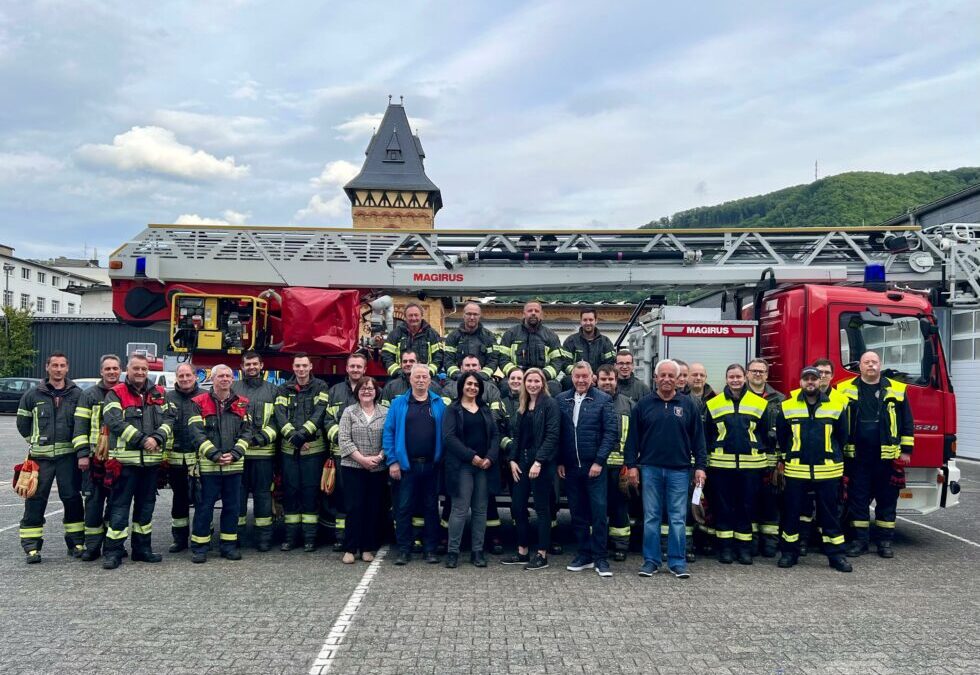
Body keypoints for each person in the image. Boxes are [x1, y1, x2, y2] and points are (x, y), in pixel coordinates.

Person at [625, 359, 706, 579]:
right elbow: (632, 439)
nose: (667, 379)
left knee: (677, 518)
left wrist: (700, 467)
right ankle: (651, 561)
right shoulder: (643, 405)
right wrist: (631, 466)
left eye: (671, 375)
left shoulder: (688, 405)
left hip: (680, 471)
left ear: (678, 379)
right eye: (663, 375)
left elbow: (699, 440)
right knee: (651, 517)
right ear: (655, 378)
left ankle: (677, 562)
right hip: (650, 469)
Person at [101, 353, 175, 569]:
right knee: (119, 509)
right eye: (136, 368)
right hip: (125, 465)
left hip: (150, 465)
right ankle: (113, 552)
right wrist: (143, 440)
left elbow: (170, 418)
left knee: (146, 509)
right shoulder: (116, 393)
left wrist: (157, 438)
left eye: (144, 369)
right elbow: (115, 422)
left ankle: (142, 549)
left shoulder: (160, 393)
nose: (140, 372)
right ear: (128, 370)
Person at [838, 351, 914, 559]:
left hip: (886, 458)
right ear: (860, 366)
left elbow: (907, 421)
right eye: (866, 362)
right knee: (858, 501)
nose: (870, 365)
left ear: (880, 365)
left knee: (887, 501)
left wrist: (906, 450)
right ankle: (860, 542)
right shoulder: (844, 388)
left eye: (874, 362)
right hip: (858, 457)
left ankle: (884, 542)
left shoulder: (897, 389)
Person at [776, 366, 852, 572]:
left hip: (827, 471)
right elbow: (783, 437)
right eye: (806, 379)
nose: (810, 382)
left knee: (830, 516)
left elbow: (842, 437)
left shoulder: (836, 406)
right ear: (801, 382)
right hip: (796, 471)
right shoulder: (787, 406)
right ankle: (789, 553)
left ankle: (836, 556)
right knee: (792, 514)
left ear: (820, 382)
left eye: (814, 379)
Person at [17, 351, 84, 564]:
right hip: (40, 458)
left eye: (62, 365)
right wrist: (35, 441)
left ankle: (76, 543)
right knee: (35, 499)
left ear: (67, 368)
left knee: (72, 498)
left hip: (68, 457)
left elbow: (82, 423)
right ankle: (31, 547)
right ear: (47, 367)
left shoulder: (77, 394)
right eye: (54, 365)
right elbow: (22, 423)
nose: (58, 369)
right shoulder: (32, 395)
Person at [704, 364, 769, 565]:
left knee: (746, 508)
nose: (735, 380)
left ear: (745, 377)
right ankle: (725, 549)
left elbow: (765, 434)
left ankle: (744, 549)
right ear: (726, 379)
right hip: (721, 467)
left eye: (738, 376)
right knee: (723, 508)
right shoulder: (713, 404)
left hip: (751, 467)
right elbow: (707, 434)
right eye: (731, 377)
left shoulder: (760, 403)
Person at [557, 362, 617, 577]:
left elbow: (611, 432)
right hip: (571, 468)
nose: (581, 380)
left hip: (595, 468)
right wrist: (560, 461)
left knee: (598, 512)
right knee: (577, 512)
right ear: (572, 377)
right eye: (577, 376)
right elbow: (557, 433)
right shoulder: (561, 399)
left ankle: (601, 557)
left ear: (592, 378)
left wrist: (599, 461)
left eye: (585, 376)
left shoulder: (603, 399)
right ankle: (584, 554)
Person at [188, 365, 252, 563]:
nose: (225, 379)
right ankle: (200, 548)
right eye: (221, 376)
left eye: (228, 376)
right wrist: (215, 455)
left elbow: (247, 432)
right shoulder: (198, 402)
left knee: (232, 508)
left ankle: (228, 546)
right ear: (213, 379)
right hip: (209, 468)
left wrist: (235, 454)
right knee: (204, 508)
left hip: (234, 466)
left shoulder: (242, 403)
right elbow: (196, 433)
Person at [384, 364, 447, 565]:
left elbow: (446, 434)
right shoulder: (398, 403)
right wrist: (393, 461)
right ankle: (404, 550)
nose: (420, 380)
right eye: (416, 377)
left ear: (430, 380)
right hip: (406, 467)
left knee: (431, 508)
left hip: (431, 466)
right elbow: (389, 433)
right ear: (410, 379)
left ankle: (430, 550)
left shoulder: (438, 404)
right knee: (403, 509)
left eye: (424, 377)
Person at [500, 368, 561, 571]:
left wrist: (539, 461)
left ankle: (542, 554)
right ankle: (522, 551)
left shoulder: (550, 404)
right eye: (529, 381)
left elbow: (552, 436)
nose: (532, 384)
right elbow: (517, 437)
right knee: (517, 507)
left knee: (542, 509)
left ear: (543, 383)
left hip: (542, 464)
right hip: (522, 463)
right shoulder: (523, 405)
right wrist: (512, 460)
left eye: (536, 381)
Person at [442, 372, 500, 568]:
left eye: (476, 385)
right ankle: (453, 552)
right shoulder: (453, 409)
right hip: (462, 467)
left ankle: (477, 551)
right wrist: (471, 457)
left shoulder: (485, 409)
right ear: (461, 386)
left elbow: (495, 436)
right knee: (459, 510)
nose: (472, 387)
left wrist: (490, 457)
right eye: (469, 384)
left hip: (483, 467)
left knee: (480, 510)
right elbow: (449, 438)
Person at [274, 353, 330, 552]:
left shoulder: (321, 387)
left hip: (312, 450)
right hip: (290, 451)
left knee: (310, 493)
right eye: (297, 365)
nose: (301, 369)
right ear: (293, 367)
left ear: (310, 366)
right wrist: (294, 437)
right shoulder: (283, 389)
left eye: (304, 365)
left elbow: (320, 413)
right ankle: (291, 538)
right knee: (291, 492)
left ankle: (309, 539)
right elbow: (279, 415)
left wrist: (303, 435)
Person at [73, 354, 121, 561]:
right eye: (107, 368)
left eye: (115, 368)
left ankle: (112, 545)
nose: (111, 372)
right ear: (101, 371)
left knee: (116, 504)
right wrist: (83, 454)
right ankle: (92, 547)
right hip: (94, 460)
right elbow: (80, 426)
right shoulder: (89, 395)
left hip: (118, 458)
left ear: (120, 371)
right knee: (93, 502)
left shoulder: (124, 392)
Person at [324, 352, 371, 552]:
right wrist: (344, 440)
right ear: (346, 368)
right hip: (341, 455)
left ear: (365, 369)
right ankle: (342, 537)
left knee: (365, 498)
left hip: (366, 456)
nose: (355, 369)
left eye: (359, 366)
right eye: (352, 366)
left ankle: (363, 538)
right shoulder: (335, 391)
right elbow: (327, 420)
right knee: (343, 498)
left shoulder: (371, 389)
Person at [338, 377, 388, 564]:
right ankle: (350, 548)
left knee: (373, 508)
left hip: (377, 468)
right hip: (353, 467)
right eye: (363, 389)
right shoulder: (349, 412)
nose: (367, 392)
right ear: (357, 392)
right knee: (354, 508)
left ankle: (367, 548)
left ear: (376, 392)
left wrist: (379, 457)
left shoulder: (385, 412)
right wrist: (362, 459)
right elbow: (344, 439)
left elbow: (389, 437)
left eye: (370, 389)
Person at [745, 358, 785, 558]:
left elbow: (787, 433)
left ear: (767, 375)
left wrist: (782, 460)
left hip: (772, 462)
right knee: (749, 502)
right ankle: (751, 542)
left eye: (761, 371)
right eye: (754, 371)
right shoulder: (740, 397)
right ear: (747, 374)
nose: (757, 374)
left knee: (772, 505)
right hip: (749, 462)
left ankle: (770, 542)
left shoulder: (780, 399)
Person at [596, 364, 634, 561]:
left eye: (610, 379)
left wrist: (631, 464)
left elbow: (635, 437)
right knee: (597, 507)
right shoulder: (590, 402)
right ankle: (598, 545)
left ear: (616, 381)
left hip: (620, 467)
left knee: (620, 507)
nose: (607, 383)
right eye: (603, 379)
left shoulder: (628, 404)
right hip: (597, 467)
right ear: (597, 380)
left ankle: (620, 546)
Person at [164, 363, 202, 553]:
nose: (185, 379)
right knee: (179, 499)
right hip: (176, 458)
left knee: (202, 499)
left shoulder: (205, 396)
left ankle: (202, 537)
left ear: (195, 376)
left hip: (199, 458)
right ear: (176, 377)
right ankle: (179, 539)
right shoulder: (167, 397)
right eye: (181, 376)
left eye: (188, 375)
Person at [498, 300, 567, 396]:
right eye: (530, 310)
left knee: (554, 387)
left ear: (541, 315)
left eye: (536, 311)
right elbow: (502, 358)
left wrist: (543, 374)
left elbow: (557, 361)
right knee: (505, 385)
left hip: (542, 376)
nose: (533, 313)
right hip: (517, 376)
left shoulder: (551, 336)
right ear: (524, 314)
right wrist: (515, 372)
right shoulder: (510, 334)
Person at [381, 302, 443, 378]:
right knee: (390, 386)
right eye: (410, 315)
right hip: (400, 378)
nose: (413, 318)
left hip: (426, 378)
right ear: (405, 317)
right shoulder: (395, 334)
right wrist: (398, 373)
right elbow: (386, 356)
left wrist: (427, 373)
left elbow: (439, 357)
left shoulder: (432, 334)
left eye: (416, 315)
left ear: (421, 316)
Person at [443, 301, 499, 381]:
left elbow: (493, 360)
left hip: (483, 379)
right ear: (463, 315)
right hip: (457, 379)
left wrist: (482, 376)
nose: (472, 317)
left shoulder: (489, 337)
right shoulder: (453, 337)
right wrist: (459, 376)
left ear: (479, 316)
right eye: (469, 314)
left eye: (475, 314)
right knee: (449, 388)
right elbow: (448, 360)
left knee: (491, 388)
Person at [561, 309, 616, 388]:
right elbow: (565, 364)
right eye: (585, 320)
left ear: (596, 321)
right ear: (581, 321)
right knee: (566, 381)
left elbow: (610, 364)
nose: (588, 323)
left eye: (591, 320)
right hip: (578, 381)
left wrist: (597, 376)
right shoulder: (570, 341)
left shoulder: (605, 342)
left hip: (598, 381)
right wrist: (583, 376)